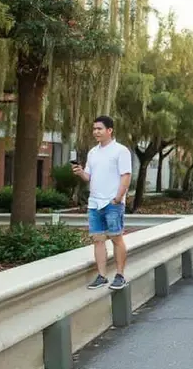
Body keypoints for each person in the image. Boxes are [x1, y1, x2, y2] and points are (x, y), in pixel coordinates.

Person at [72, 115, 133, 290]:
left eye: (99, 129)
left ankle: (120, 275)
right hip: (94, 203)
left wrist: (117, 198)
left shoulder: (121, 151)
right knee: (98, 240)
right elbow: (88, 177)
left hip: (112, 203)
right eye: (94, 129)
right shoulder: (93, 152)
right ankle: (101, 276)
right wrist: (80, 172)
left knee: (116, 238)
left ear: (109, 130)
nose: (96, 132)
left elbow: (126, 176)